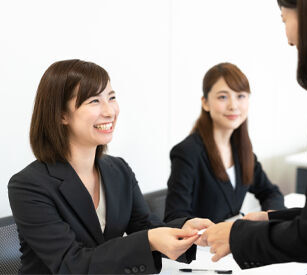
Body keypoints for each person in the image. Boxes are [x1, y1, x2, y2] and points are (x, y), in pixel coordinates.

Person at [202, 0, 307, 273]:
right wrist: (272, 219)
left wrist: (238, 235)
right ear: (205, 102)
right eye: (223, 97)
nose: (290, 39)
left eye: (284, 19)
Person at [8, 59, 213, 274]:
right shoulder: (28, 185)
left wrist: (183, 230)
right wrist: (149, 240)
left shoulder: (118, 170)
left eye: (111, 97)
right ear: (61, 115)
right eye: (94, 101)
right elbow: (70, 264)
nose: (110, 111)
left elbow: (145, 227)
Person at [164, 62, 285, 224]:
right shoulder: (187, 152)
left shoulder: (241, 150)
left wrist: (269, 217)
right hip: (204, 246)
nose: (233, 105)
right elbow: (175, 217)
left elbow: (271, 193)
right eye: (223, 97)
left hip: (234, 242)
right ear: (205, 103)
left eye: (240, 96)